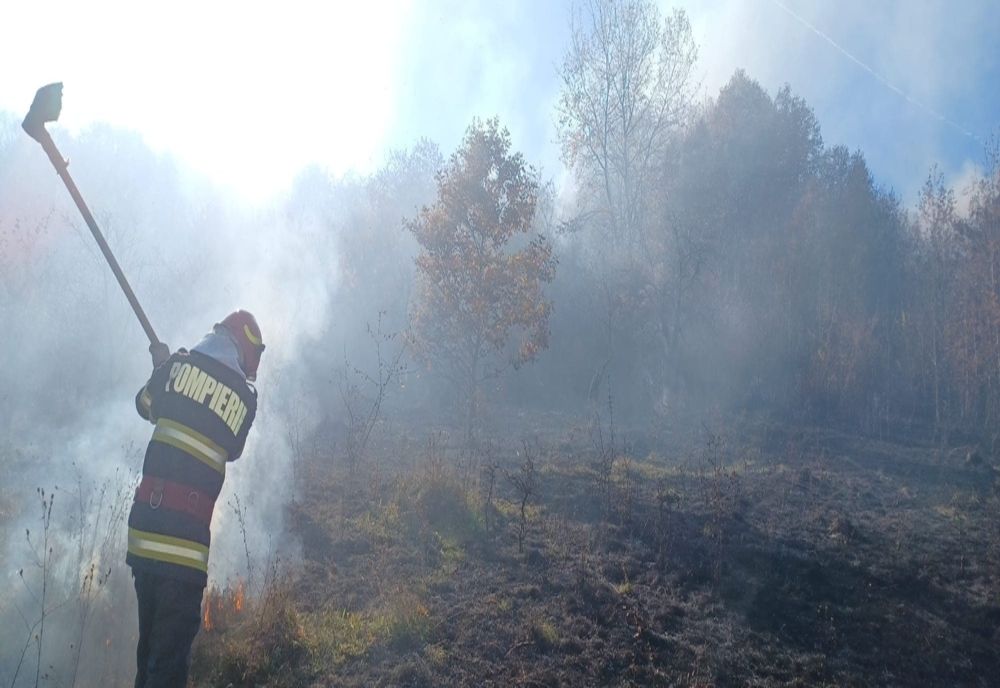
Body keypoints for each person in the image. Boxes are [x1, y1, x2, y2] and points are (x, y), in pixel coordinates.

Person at [126, 310, 264, 687]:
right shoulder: (243, 400)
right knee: (167, 668)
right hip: (183, 552)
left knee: (149, 657)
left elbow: (144, 405)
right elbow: (232, 447)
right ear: (245, 355)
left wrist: (163, 366)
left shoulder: (175, 367)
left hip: (143, 539)